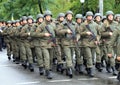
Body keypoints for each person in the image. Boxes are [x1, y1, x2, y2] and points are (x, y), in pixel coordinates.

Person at [79, 11, 100, 77]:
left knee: (92, 57)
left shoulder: (96, 25)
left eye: (91, 16)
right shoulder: (83, 24)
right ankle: (90, 69)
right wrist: (86, 33)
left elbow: (99, 34)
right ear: (86, 17)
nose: (89, 17)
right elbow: (80, 33)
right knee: (89, 56)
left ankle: (88, 67)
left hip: (93, 43)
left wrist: (97, 40)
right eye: (88, 16)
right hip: (86, 43)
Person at [101, 11, 117, 75]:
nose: (110, 17)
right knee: (111, 56)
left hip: (116, 42)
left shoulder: (116, 23)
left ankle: (108, 64)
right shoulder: (105, 24)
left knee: (115, 57)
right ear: (107, 17)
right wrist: (108, 33)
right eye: (109, 16)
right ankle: (113, 69)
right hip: (108, 42)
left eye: (111, 16)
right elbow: (101, 34)